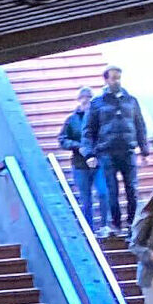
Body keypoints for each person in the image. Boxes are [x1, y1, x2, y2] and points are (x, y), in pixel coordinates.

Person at [91, 66, 151, 238]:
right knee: (112, 190)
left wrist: (144, 151)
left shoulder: (131, 100)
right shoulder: (97, 102)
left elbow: (140, 125)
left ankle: (132, 224)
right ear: (106, 80)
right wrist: (90, 154)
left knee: (132, 188)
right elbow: (90, 129)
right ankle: (115, 224)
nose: (116, 81)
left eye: (118, 78)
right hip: (107, 151)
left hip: (128, 150)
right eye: (113, 78)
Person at [59, 87, 101, 229]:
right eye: (83, 98)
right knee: (86, 198)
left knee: (103, 194)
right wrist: (78, 146)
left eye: (89, 98)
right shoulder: (72, 120)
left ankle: (105, 226)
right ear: (79, 100)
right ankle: (89, 226)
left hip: (99, 162)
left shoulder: (99, 118)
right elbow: (63, 139)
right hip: (80, 164)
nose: (86, 100)